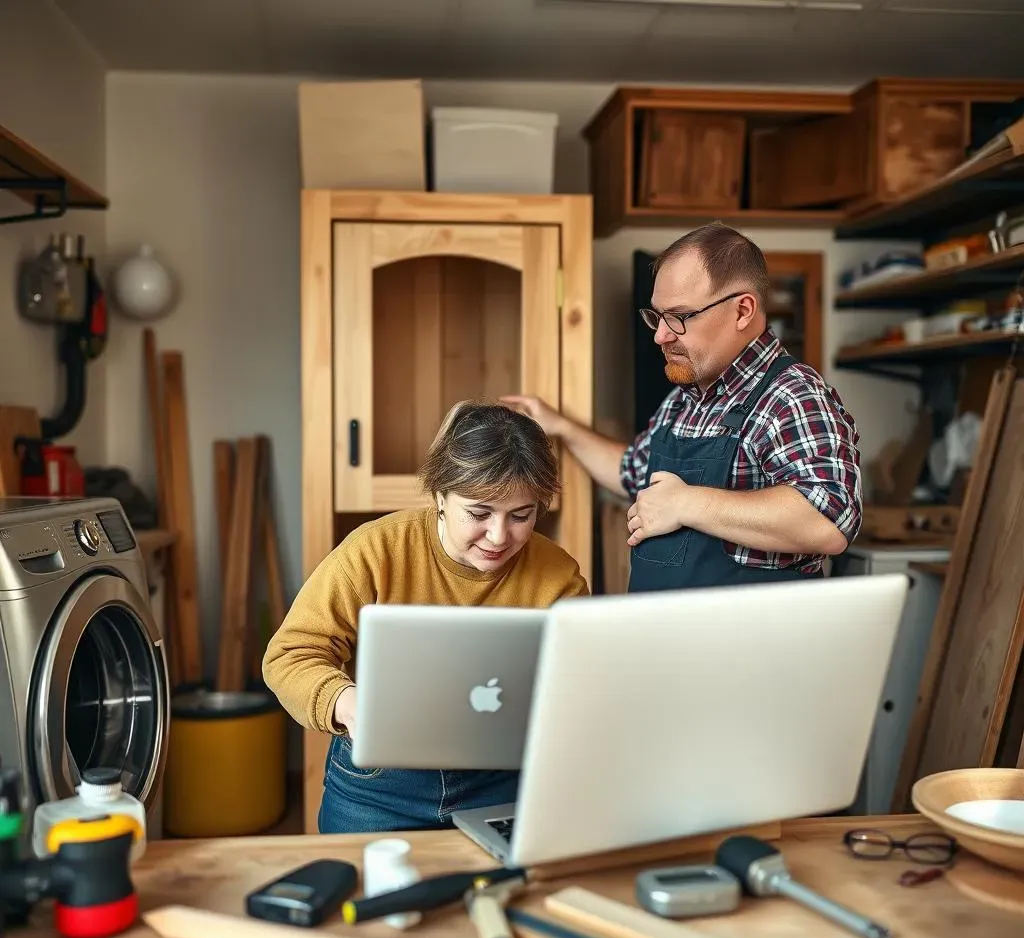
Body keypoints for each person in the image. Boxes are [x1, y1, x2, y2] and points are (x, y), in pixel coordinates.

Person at [262, 400, 589, 833]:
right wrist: (346, 702)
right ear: (439, 496)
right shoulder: (374, 551)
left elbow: (584, 681)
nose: (498, 536)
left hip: (505, 779)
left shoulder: (557, 574)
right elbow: (290, 655)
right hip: (378, 786)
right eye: (478, 513)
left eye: (520, 516)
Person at [503, 222, 861, 593]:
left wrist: (689, 504)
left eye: (680, 317)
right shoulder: (685, 398)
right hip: (665, 642)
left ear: (742, 310)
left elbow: (829, 520)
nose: (660, 334)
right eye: (657, 316)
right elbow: (631, 472)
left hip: (748, 645)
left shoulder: (791, 395)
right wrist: (561, 426)